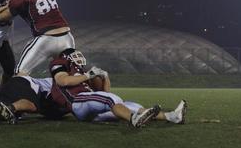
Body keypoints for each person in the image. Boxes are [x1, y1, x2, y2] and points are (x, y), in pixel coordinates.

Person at [49, 48, 187, 127]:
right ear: (66, 57)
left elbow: (105, 93)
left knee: (127, 104)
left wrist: (105, 77)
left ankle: (172, 116)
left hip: (92, 111)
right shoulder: (59, 62)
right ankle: (133, 119)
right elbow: (63, 81)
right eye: (75, 56)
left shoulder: (82, 74)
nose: (79, 58)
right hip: (77, 102)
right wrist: (88, 75)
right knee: (111, 100)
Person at [0, 0, 75, 76]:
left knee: (20, 73)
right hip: (67, 38)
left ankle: (16, 92)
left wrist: (4, 4)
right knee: (70, 73)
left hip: (46, 39)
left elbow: (2, 17)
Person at [0, 76, 68, 124]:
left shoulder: (52, 102)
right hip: (24, 83)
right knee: (33, 106)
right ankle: (11, 108)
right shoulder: (57, 85)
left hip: (10, 87)